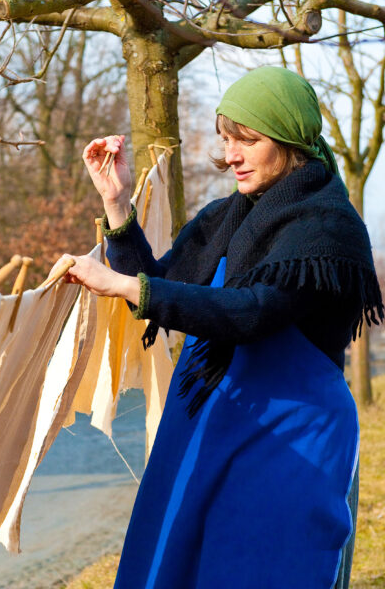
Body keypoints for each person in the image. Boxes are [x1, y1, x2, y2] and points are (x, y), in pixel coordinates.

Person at [53, 66, 384, 588]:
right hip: (209, 427)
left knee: (263, 571)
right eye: (227, 139)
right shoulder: (226, 216)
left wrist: (126, 288)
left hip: (289, 443)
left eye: (248, 141)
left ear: (292, 139)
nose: (230, 154)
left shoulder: (327, 226)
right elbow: (163, 283)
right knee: (179, 566)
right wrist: (116, 206)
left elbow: (250, 312)